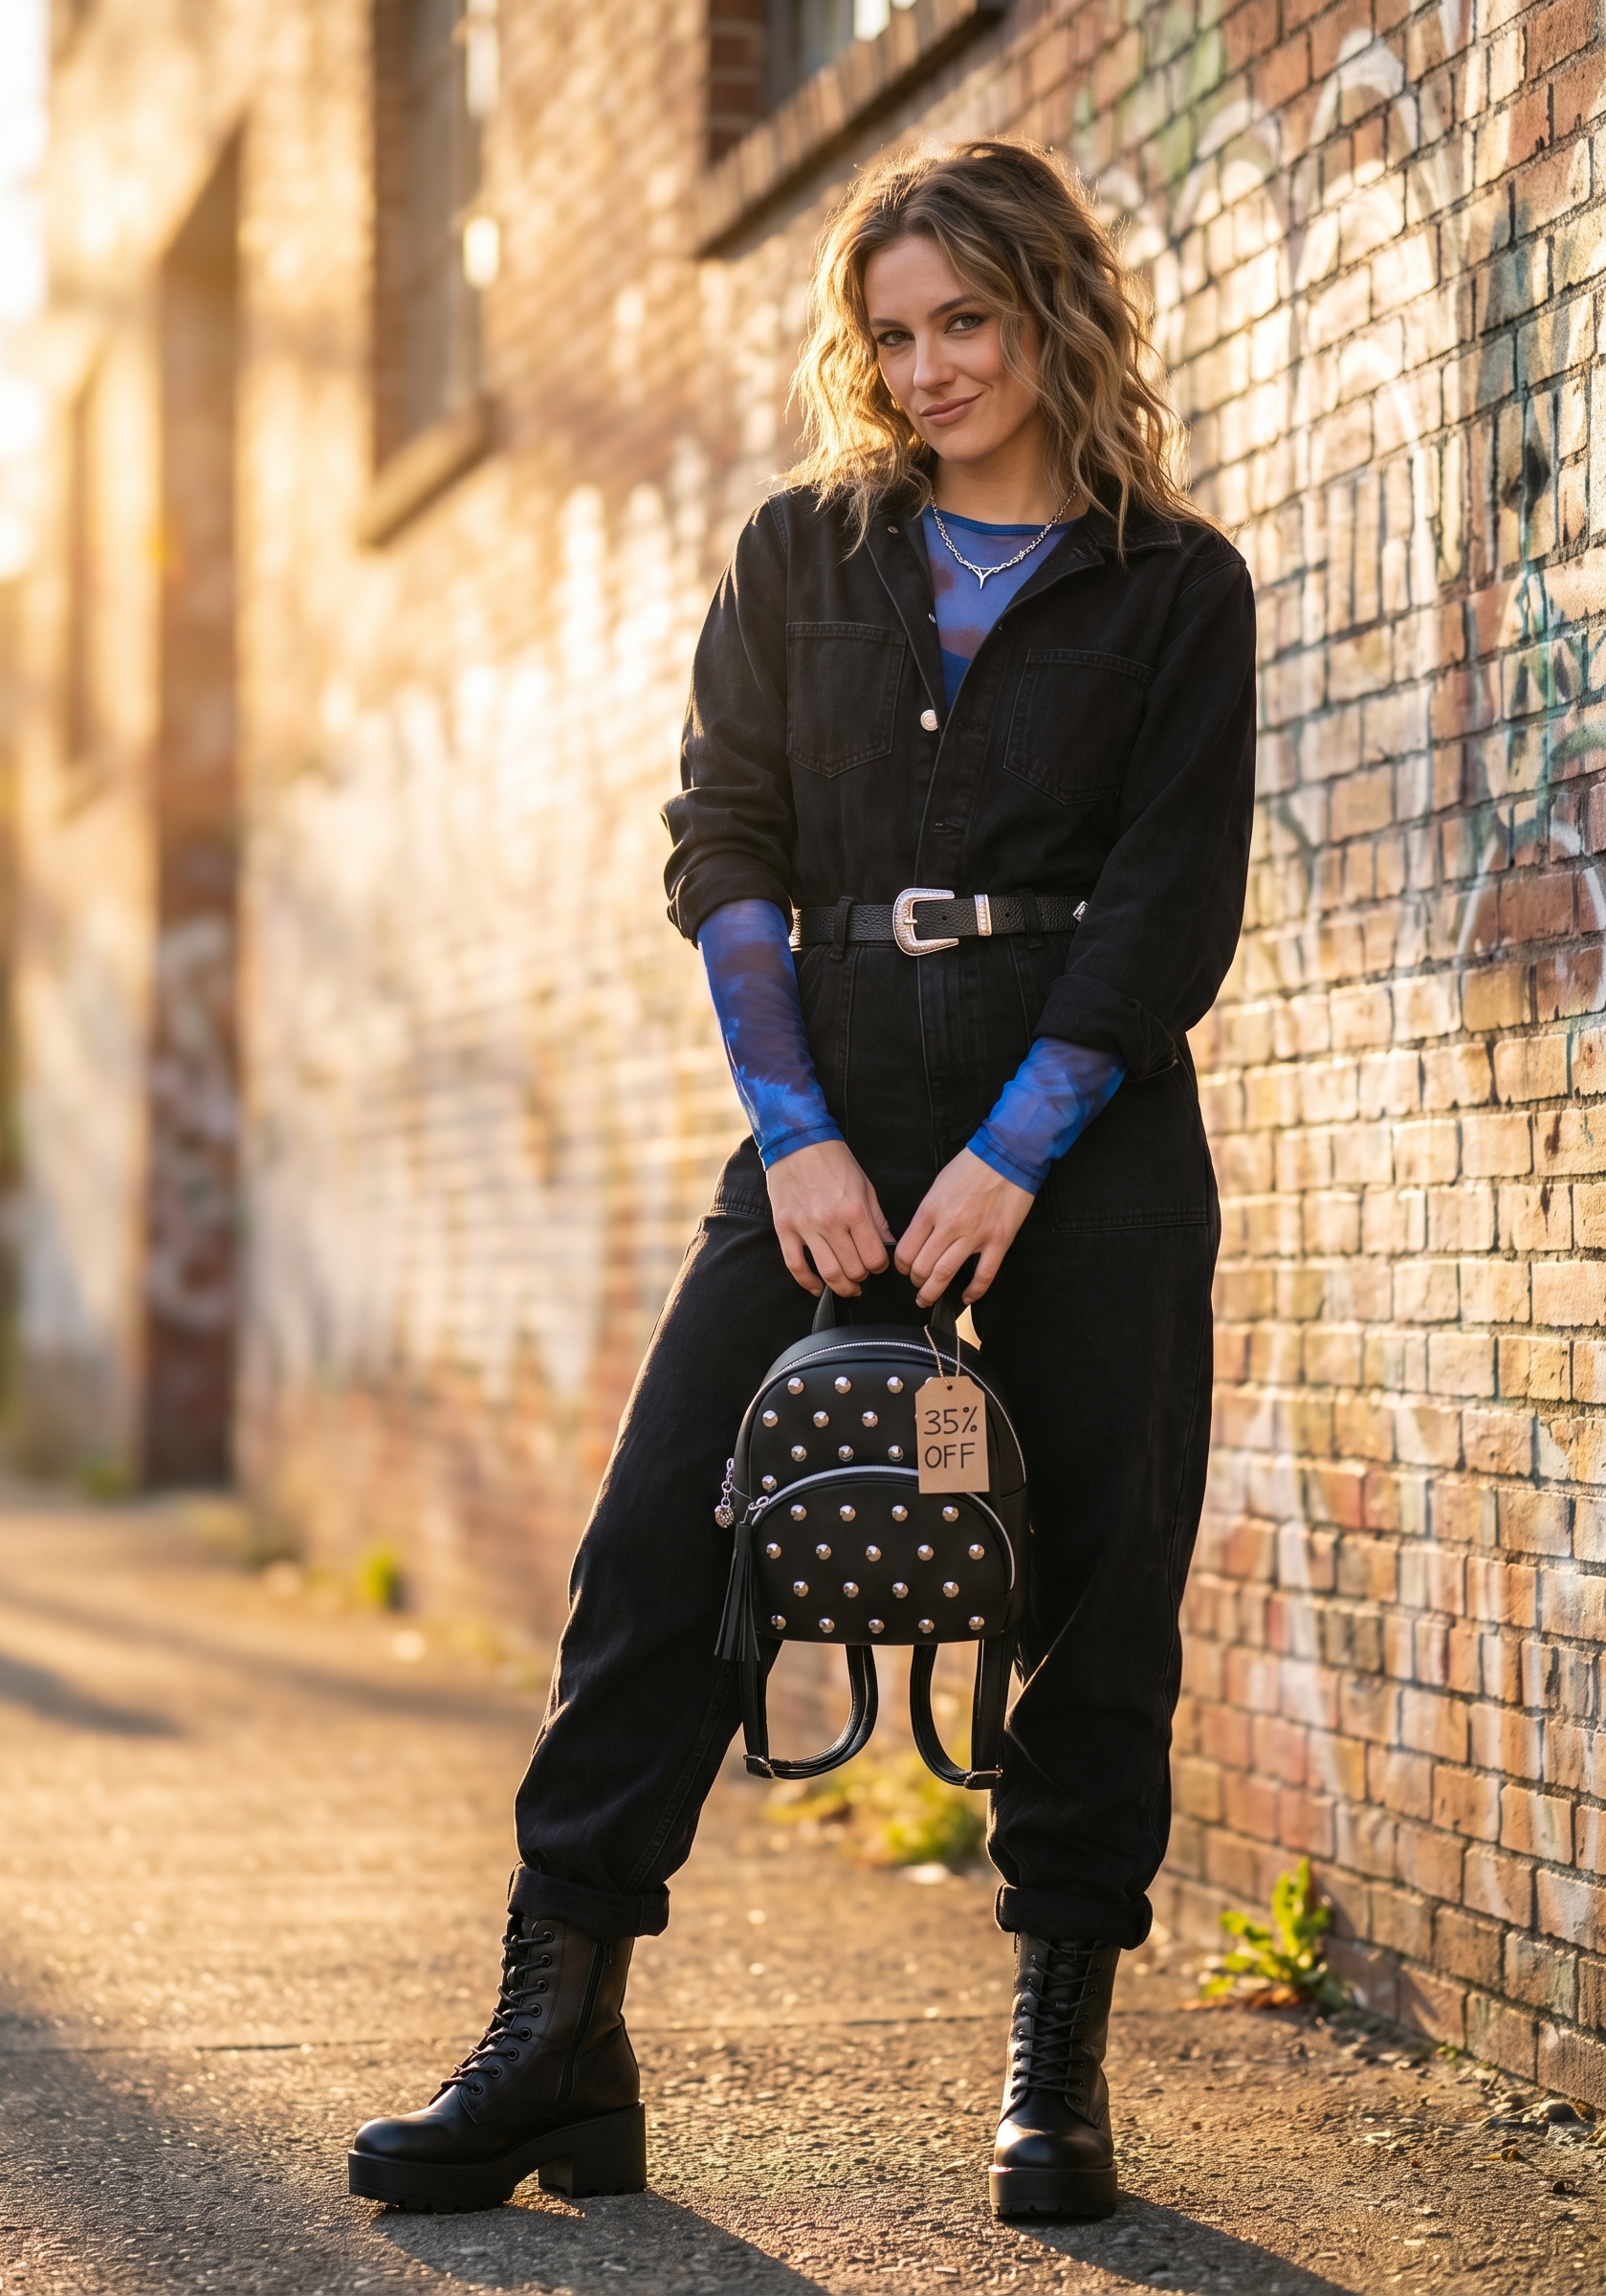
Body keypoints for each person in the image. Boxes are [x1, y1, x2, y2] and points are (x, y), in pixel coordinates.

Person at [348, 137, 1256, 2222]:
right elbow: (721, 843)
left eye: (963, 323)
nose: (926, 369)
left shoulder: (1171, 585)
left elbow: (1165, 900)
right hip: (826, 1097)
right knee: (661, 1533)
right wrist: (800, 1139)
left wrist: (1021, 1148)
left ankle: (1053, 2057)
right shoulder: (800, 557)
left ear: (1049, 317)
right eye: (892, 336)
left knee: (1104, 1574)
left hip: (1087, 1120)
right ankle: (553, 2035)